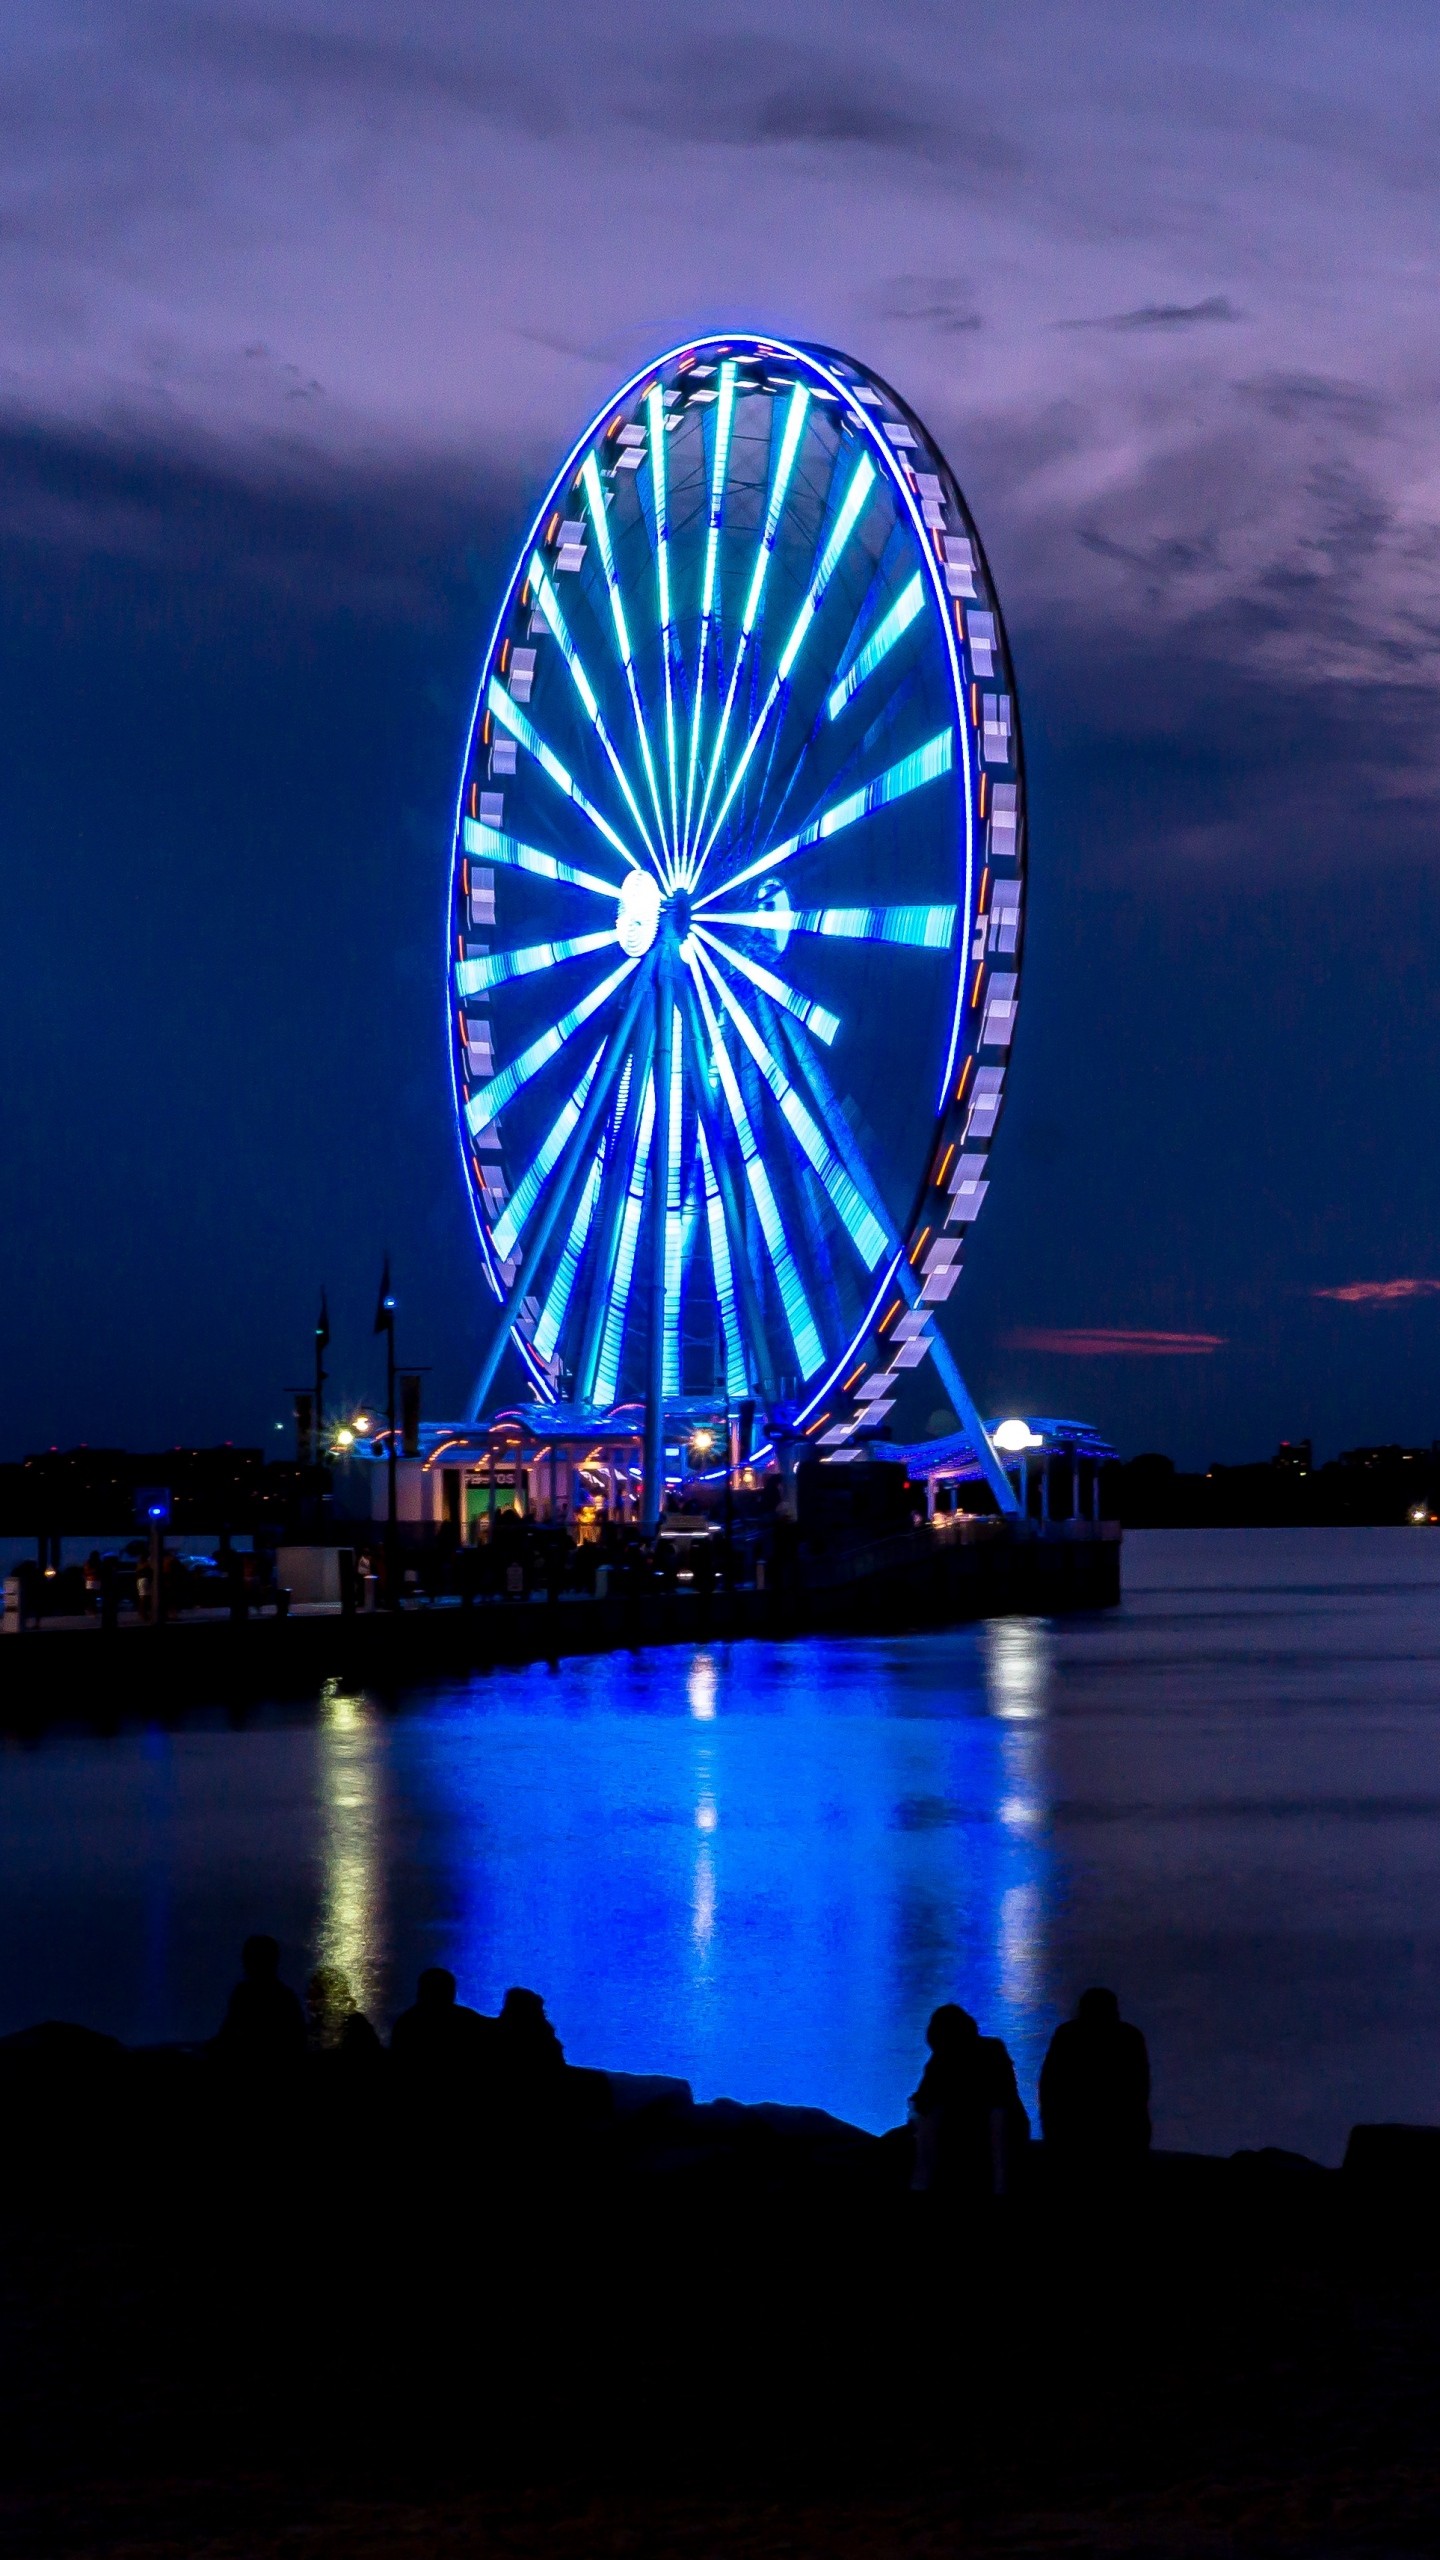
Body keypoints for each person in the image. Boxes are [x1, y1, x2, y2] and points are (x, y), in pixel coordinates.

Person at [909, 2003, 1029, 2200]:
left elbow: (923, 2102)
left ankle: (920, 2185)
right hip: (1001, 2134)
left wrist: (914, 2113)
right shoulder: (993, 2049)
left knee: (926, 2121)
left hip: (970, 2138)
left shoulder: (941, 2061)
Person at [1039, 1987, 1151, 2171]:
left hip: (1072, 2132)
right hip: (1121, 2133)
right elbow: (1139, 2089)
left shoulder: (1067, 2034)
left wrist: (1051, 2127)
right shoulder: (1130, 2036)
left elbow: (1050, 2084)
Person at [214, 1935, 307, 2070]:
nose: (244, 1963)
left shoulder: (244, 1994)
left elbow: (230, 2035)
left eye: (249, 1958)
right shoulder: (285, 1996)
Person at [389, 1967, 495, 2078]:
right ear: (450, 1991)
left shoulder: (406, 2022)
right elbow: (492, 2029)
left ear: (420, 1990)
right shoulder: (462, 2018)